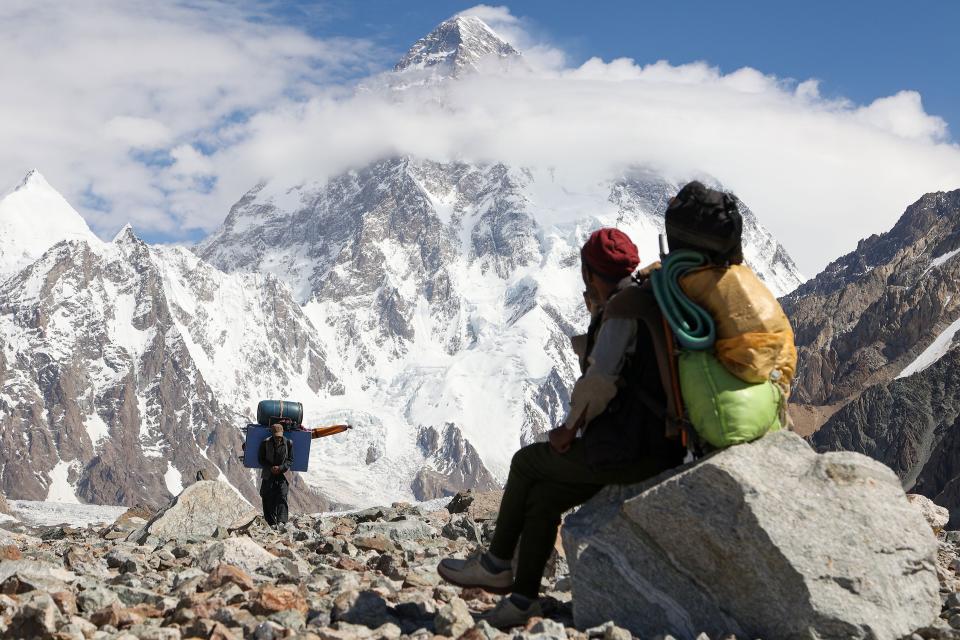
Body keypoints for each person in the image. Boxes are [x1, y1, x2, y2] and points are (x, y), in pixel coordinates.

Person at [437, 227, 686, 628]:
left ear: (590, 272)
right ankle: (521, 601)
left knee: (526, 462)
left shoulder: (623, 309)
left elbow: (599, 383)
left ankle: (496, 563)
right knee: (545, 496)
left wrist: (568, 430)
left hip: (630, 450)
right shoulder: (648, 298)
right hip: (659, 444)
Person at [258, 423, 294, 528]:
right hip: (269, 472)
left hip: (283, 473)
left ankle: (281, 521)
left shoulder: (288, 443)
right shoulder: (265, 443)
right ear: (272, 434)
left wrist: (281, 468)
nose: (278, 438)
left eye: (280, 436)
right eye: (276, 436)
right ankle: (271, 522)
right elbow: (261, 459)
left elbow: (290, 460)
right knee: (267, 496)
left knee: (282, 494)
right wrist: (270, 467)